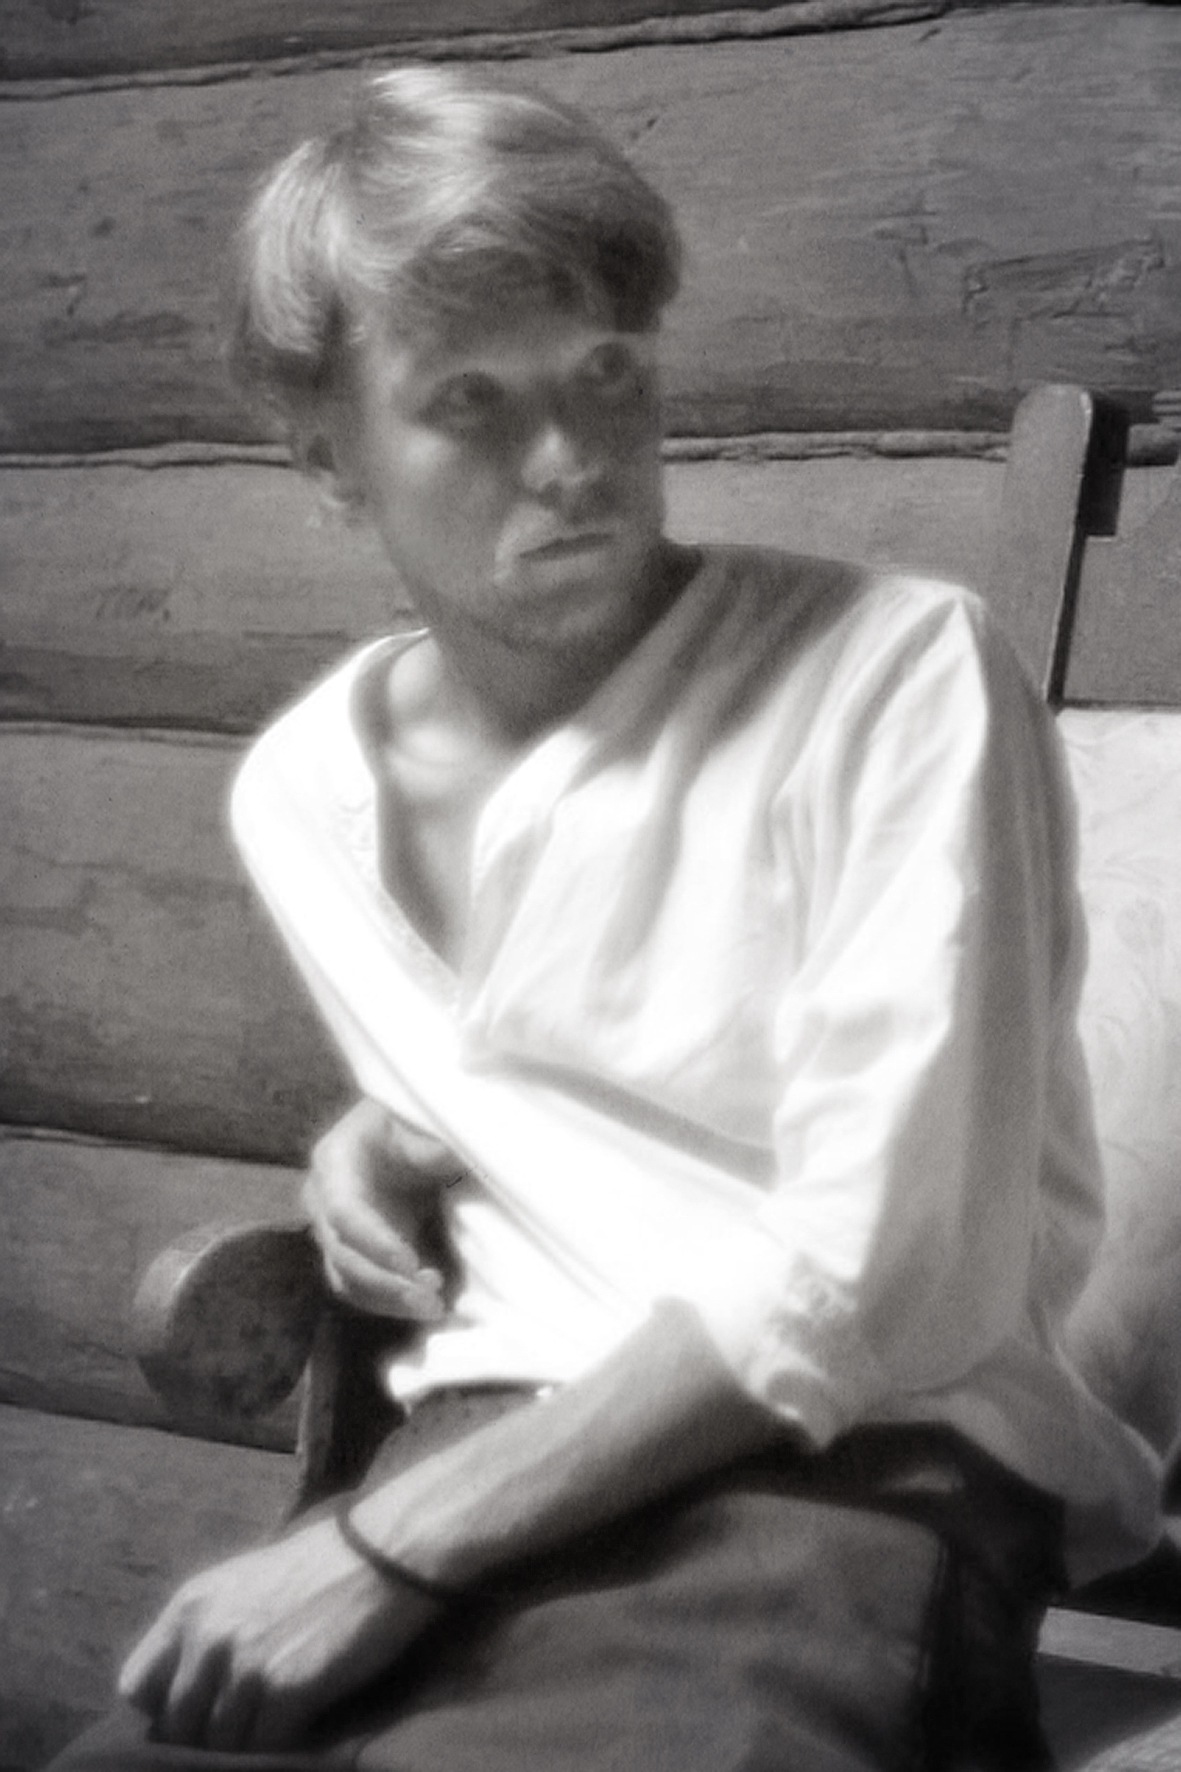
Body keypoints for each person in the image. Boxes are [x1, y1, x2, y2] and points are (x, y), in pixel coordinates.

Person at [52, 64, 1161, 1772]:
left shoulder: (894, 673)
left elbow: (882, 1280)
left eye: (606, 375)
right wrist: (385, 1130)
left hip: (853, 1474)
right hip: (479, 1448)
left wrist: (383, 1548)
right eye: (470, 404)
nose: (570, 460)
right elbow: (581, 1044)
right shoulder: (302, 789)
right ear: (332, 461)